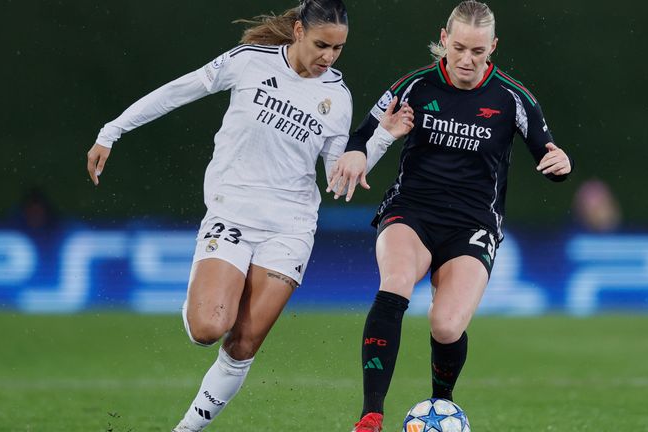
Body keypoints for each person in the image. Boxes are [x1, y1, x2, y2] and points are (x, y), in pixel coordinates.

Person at [86, 1, 412, 430]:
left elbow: (338, 176)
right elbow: (179, 90)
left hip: (291, 227)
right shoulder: (248, 62)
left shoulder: (337, 95)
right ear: (298, 31)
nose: (329, 57)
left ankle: (185, 430)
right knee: (208, 328)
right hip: (232, 214)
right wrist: (113, 130)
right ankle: (211, 290)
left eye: (338, 49)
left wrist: (382, 139)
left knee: (242, 344)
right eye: (321, 45)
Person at [326, 2, 573, 430]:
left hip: (473, 225)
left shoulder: (514, 98)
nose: (466, 60)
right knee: (396, 284)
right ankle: (370, 416)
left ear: (492, 47)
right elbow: (363, 134)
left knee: (445, 325)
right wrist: (355, 152)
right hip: (412, 212)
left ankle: (442, 407)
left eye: (477, 51)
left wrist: (560, 163)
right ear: (444, 39)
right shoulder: (414, 86)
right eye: (458, 47)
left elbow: (547, 155)